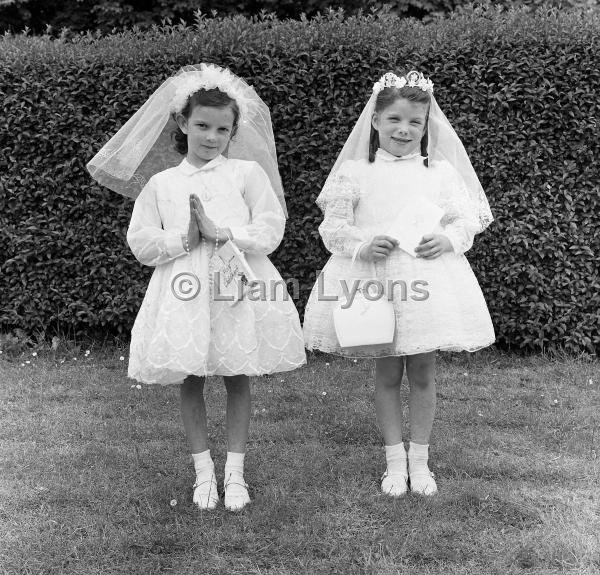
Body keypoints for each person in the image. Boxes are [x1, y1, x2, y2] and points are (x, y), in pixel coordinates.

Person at [87, 63, 306, 511]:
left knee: (236, 373)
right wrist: (182, 239)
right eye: (202, 126)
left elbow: (270, 227)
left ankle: (236, 473)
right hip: (183, 288)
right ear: (183, 123)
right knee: (191, 375)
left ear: (233, 131)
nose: (211, 137)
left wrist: (223, 231)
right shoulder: (162, 184)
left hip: (234, 285)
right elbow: (142, 241)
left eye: (222, 129)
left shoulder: (246, 174)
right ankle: (203, 472)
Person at [303, 70, 495, 497]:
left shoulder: (439, 174)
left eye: (414, 122)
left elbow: (467, 219)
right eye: (393, 119)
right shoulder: (354, 172)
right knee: (387, 370)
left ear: (427, 126)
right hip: (375, 281)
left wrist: (447, 238)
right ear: (374, 121)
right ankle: (394, 460)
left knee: (423, 371)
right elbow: (332, 227)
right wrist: (361, 244)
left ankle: (420, 461)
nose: (404, 130)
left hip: (425, 280)